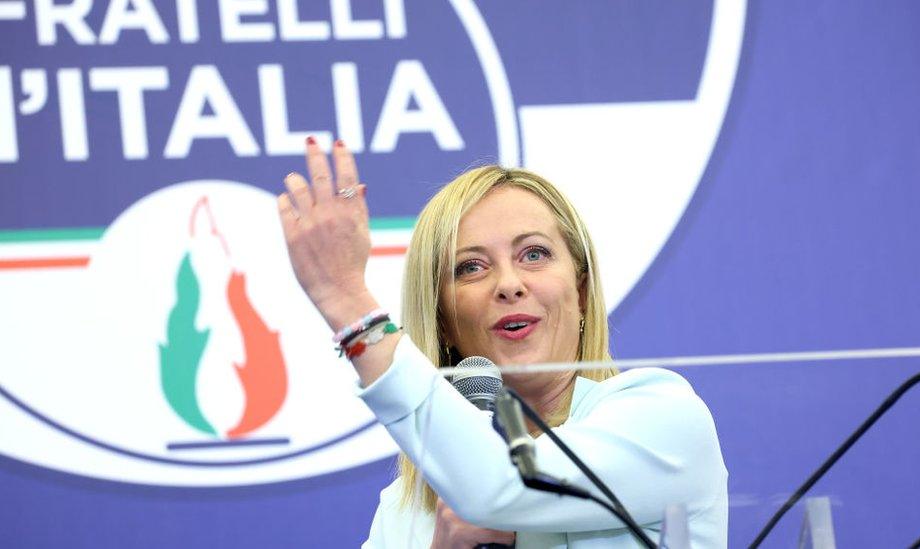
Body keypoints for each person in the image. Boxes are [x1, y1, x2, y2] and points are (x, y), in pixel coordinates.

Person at [277, 137, 728, 548]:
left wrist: (349, 304)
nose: (509, 284)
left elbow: (496, 486)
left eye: (534, 254)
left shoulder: (661, 417)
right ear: (443, 321)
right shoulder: (403, 510)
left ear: (583, 293)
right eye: (471, 267)